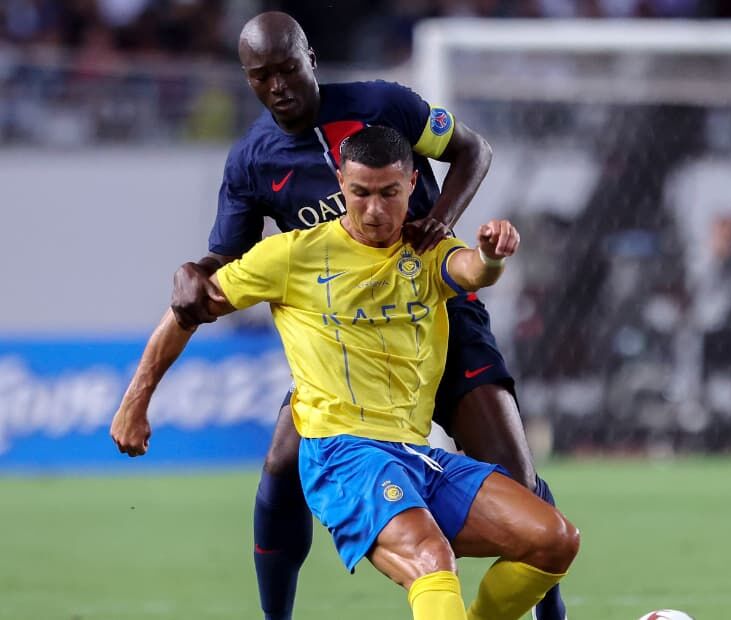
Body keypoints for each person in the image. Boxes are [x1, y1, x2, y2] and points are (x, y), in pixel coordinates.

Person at [169, 12, 568, 619]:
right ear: (248, 80)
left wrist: (443, 221)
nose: (277, 85)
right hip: (348, 345)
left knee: (519, 483)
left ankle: (549, 614)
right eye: (261, 76)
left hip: (440, 315)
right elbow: (229, 257)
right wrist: (194, 270)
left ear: (311, 60)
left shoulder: (384, 105)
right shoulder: (251, 159)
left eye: (287, 68)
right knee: (281, 461)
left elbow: (472, 150)